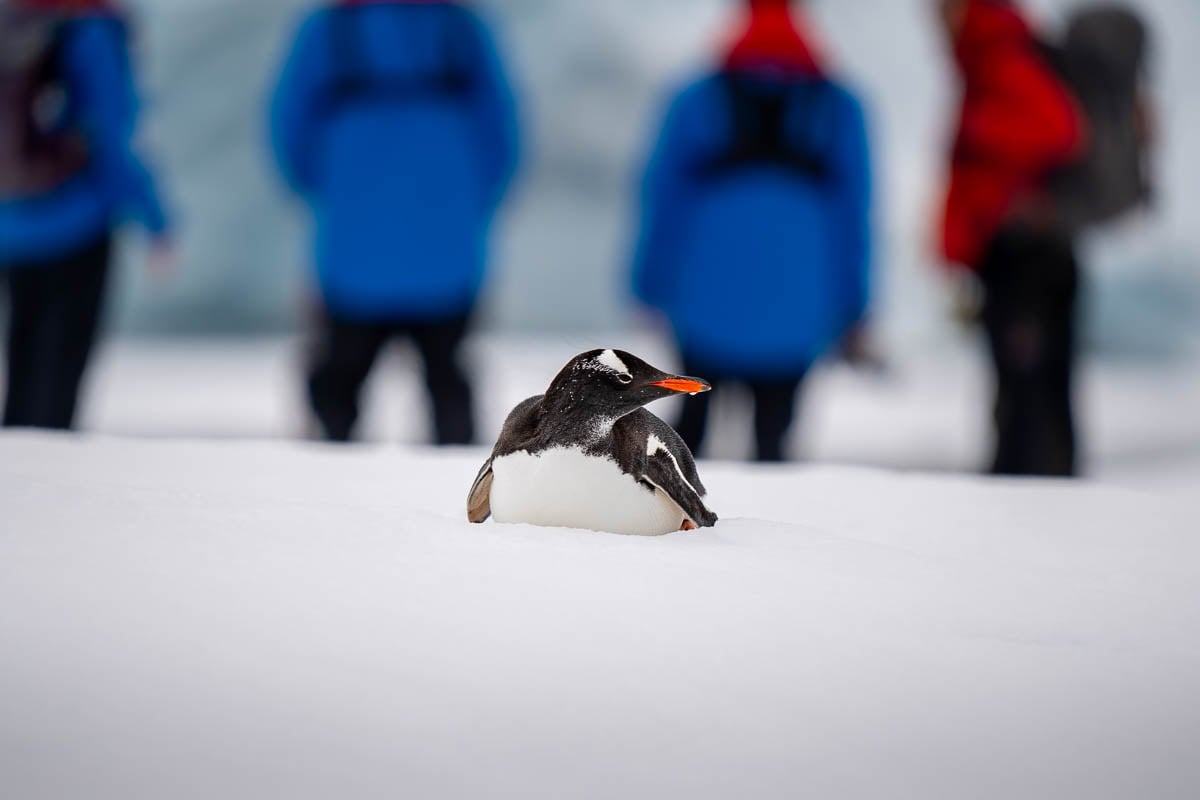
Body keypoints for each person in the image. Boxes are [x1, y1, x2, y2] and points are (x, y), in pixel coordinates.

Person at [631, 0, 872, 462]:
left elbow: (662, 201)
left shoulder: (695, 100)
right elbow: (854, 218)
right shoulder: (838, 108)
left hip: (704, 306)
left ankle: (676, 521)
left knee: (689, 433)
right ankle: (769, 527)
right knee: (774, 441)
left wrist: (649, 285)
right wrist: (854, 305)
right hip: (798, 311)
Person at [270, 0, 519, 445]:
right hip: (446, 249)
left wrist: (336, 195)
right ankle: (455, 492)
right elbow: (503, 133)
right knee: (447, 380)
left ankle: (324, 489)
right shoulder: (461, 31)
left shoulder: (330, 31)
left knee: (338, 381)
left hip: (353, 250)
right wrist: (463, 203)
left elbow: (289, 130)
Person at [0, 0, 172, 430]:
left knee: (22, 362)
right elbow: (113, 133)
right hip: (76, 224)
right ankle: (49, 481)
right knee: (59, 373)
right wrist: (156, 220)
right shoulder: (90, 29)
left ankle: (18, 472)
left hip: (10, 221)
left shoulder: (15, 21)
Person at [934, 0, 1088, 476]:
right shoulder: (991, 54)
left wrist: (991, 151)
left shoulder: (1000, 54)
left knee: (1027, 401)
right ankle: (1044, 504)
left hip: (1025, 257)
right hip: (1022, 255)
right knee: (1033, 392)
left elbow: (1060, 128)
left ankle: (1032, 510)